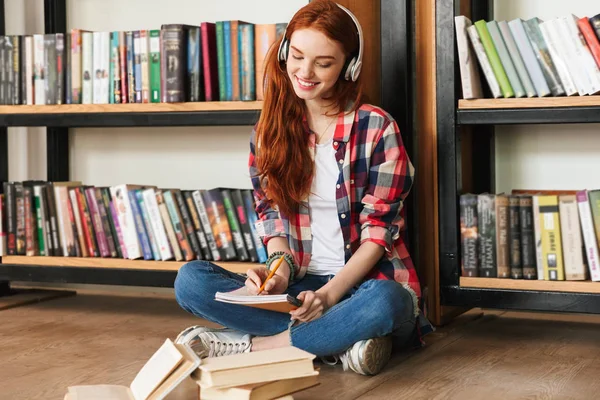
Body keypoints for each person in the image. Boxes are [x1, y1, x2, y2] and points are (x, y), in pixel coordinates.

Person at [173, 0, 432, 376]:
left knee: (386, 303)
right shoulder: (268, 133)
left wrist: (329, 297)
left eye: (323, 63)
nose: (305, 72)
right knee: (191, 281)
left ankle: (257, 347)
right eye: (296, 56)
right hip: (300, 288)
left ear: (349, 66)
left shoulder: (376, 127)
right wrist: (278, 271)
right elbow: (272, 218)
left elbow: (378, 236)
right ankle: (340, 344)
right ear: (283, 52)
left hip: (362, 287)